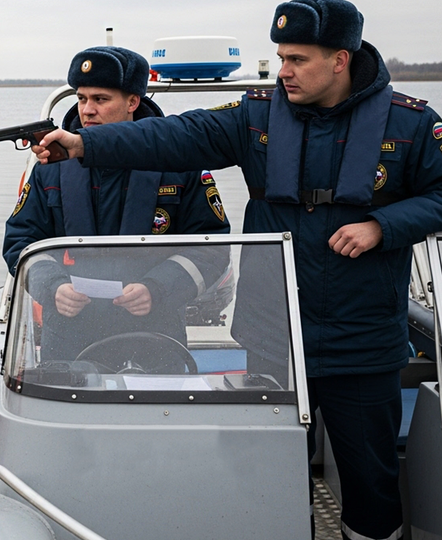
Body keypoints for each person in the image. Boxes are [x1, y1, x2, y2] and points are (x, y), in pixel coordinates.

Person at [31, 1, 442, 537]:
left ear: (341, 59)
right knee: (257, 469)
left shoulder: (413, 123)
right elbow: (174, 136)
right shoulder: (255, 115)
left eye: (296, 59)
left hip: (362, 338)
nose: (283, 71)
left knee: (371, 476)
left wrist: (383, 226)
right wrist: (86, 143)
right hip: (271, 332)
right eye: (280, 57)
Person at [4, 46, 230, 365]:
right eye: (82, 98)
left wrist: (157, 288)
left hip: (156, 335)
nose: (87, 110)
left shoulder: (180, 164)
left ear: (133, 102)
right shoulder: (49, 167)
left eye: (100, 99)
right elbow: (20, 241)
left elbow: (212, 246)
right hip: (68, 340)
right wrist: (53, 289)